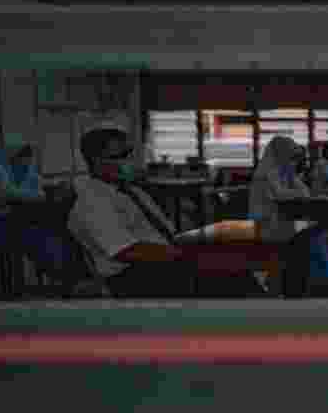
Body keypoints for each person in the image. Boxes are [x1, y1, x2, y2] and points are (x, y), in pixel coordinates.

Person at [68, 125, 265, 298]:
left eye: (129, 153)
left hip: (161, 263)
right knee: (228, 276)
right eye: (119, 156)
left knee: (232, 259)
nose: (129, 161)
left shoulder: (132, 192)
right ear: (95, 160)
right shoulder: (92, 201)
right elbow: (127, 251)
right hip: (134, 276)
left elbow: (166, 234)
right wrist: (186, 256)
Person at [249, 136, 328, 290]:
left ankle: (322, 277)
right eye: (290, 156)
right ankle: (319, 278)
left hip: (281, 219)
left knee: (315, 231)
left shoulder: (282, 170)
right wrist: (294, 186)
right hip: (266, 223)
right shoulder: (265, 173)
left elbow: (305, 192)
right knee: (311, 232)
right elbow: (280, 195)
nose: (292, 160)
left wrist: (293, 177)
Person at [0, 135, 68, 280]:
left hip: (14, 219)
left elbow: (40, 185)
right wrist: (42, 197)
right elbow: (8, 195)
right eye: (21, 157)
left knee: (47, 230)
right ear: (11, 157)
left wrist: (58, 186)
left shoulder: (27, 173)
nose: (26, 161)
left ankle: (59, 272)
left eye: (28, 157)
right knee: (26, 234)